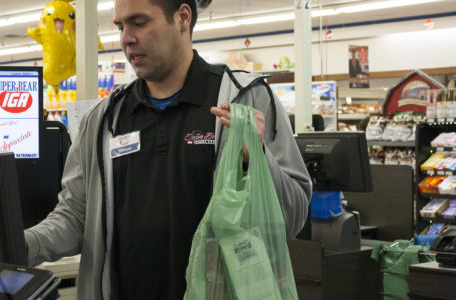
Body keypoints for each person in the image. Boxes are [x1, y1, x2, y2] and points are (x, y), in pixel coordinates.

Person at [24, 0, 312, 299]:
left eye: (140, 22)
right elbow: (75, 216)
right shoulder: (103, 120)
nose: (126, 38)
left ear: (182, 18)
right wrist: (26, 244)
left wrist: (257, 159)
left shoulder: (244, 100)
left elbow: (293, 217)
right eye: (121, 26)